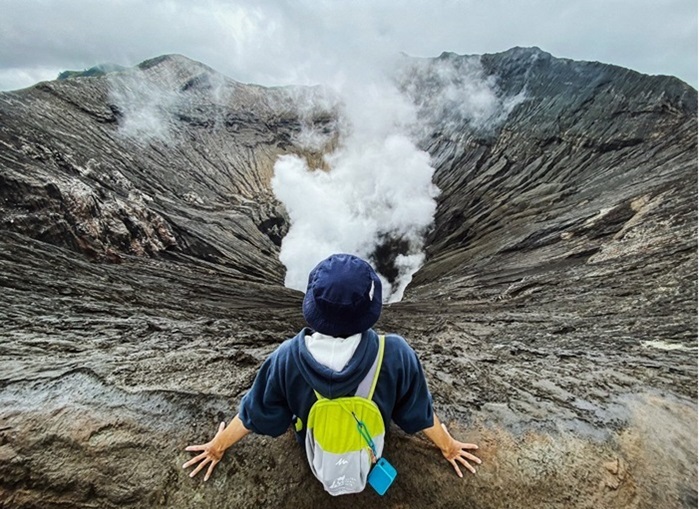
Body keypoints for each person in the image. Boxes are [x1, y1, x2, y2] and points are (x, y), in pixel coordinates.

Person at [183, 253, 481, 483]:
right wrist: (449, 446)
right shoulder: (396, 352)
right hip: (370, 449)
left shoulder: (286, 358)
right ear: (369, 308)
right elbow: (418, 413)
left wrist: (217, 447)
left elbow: (256, 414)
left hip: (317, 452)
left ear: (314, 305)